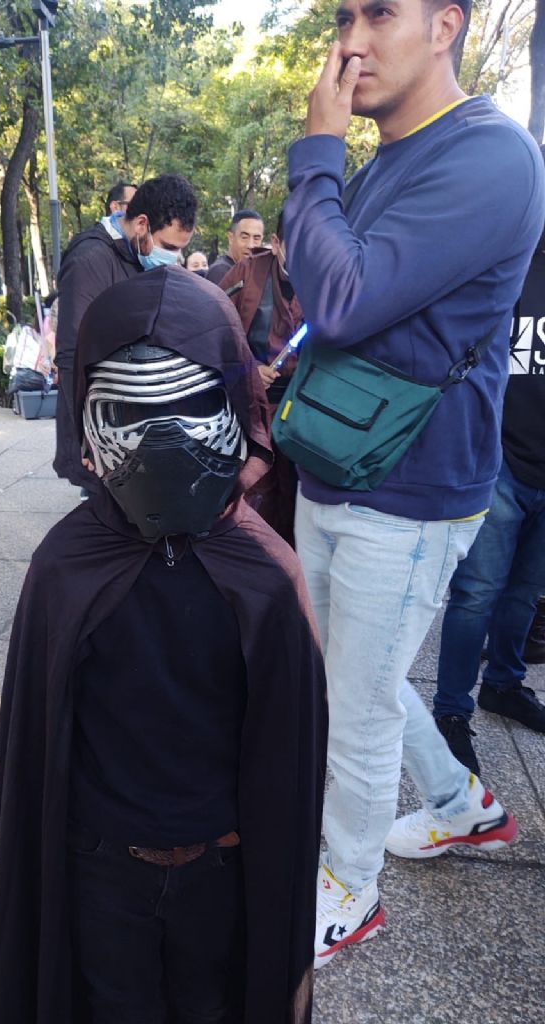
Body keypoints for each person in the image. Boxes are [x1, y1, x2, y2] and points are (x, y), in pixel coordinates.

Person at [0, 265, 327, 1024]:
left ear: (235, 406)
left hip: (221, 866)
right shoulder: (66, 565)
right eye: (130, 412)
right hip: (102, 867)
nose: (162, 442)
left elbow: (285, 757)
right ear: (88, 421)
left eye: (192, 403)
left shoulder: (265, 571)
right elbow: (42, 745)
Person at [281, 0, 544, 969]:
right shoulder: (388, 157)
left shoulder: (492, 156)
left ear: (445, 26)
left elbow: (343, 296)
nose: (350, 40)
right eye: (344, 16)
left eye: (379, 13)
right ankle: (459, 803)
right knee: (364, 674)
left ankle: (348, 891)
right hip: (338, 457)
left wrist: (317, 154)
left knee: (353, 705)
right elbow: (323, 288)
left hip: (411, 482)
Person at [434, 182, 545, 776]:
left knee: (526, 593)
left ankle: (504, 684)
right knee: (477, 593)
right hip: (501, 462)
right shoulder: (513, 260)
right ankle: (452, 710)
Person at [53, 174, 197, 491]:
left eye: (180, 250)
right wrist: (85, 439)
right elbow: (72, 355)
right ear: (142, 223)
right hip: (103, 429)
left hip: (138, 421)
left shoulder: (140, 256)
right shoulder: (90, 260)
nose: (173, 258)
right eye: (168, 247)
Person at [218, 213, 303, 544]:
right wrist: (248, 368)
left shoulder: (329, 277)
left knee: (299, 499)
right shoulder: (247, 272)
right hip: (256, 407)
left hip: (306, 411)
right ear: (277, 244)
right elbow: (212, 330)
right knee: (256, 495)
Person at [206, 209, 265, 285]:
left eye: (256, 238)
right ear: (231, 238)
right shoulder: (221, 272)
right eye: (244, 237)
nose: (250, 245)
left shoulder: (252, 272)